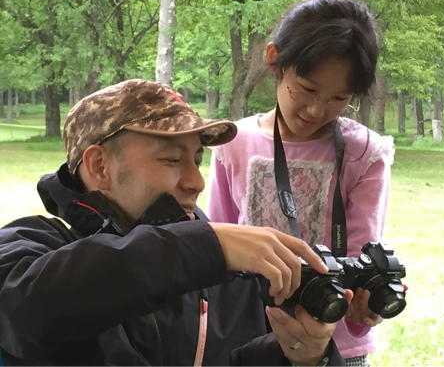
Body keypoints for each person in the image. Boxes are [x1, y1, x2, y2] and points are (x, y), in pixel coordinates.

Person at [0, 79, 347, 366]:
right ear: (100, 167)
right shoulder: (35, 245)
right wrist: (205, 246)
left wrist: (302, 357)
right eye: (172, 158)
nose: (196, 181)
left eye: (197, 160)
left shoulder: (224, 269)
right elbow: (24, 311)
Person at [207, 0, 395, 366]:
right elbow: (217, 243)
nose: (315, 110)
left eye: (338, 98)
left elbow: (362, 257)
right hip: (245, 341)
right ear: (276, 60)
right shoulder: (236, 143)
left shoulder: (363, 154)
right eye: (307, 89)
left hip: (333, 347)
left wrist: (363, 312)